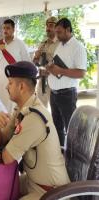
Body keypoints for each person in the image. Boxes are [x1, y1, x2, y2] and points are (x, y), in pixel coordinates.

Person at [0, 61, 70, 199]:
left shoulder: (34, 117)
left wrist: (8, 144)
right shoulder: (21, 110)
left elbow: (7, 158)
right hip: (33, 183)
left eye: (10, 83)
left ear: (21, 87)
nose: (6, 87)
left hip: (52, 192)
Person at [47, 18, 87, 147]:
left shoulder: (78, 47)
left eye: (59, 32)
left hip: (67, 95)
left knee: (70, 128)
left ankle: (73, 157)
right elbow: (57, 67)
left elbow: (81, 73)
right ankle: (60, 154)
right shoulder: (60, 45)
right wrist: (50, 69)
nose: (56, 35)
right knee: (56, 126)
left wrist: (61, 71)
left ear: (68, 30)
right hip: (54, 93)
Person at [0, 19, 30, 113]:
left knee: (13, 108)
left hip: (14, 82)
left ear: (13, 30)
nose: (5, 30)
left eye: (8, 28)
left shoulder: (20, 44)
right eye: (4, 28)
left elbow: (27, 62)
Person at [33, 16, 59, 108]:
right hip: (42, 81)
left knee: (56, 110)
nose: (48, 28)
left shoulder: (61, 43)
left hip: (56, 81)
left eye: (51, 25)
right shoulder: (43, 43)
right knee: (41, 108)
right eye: (47, 26)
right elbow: (35, 62)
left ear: (57, 27)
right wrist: (36, 57)